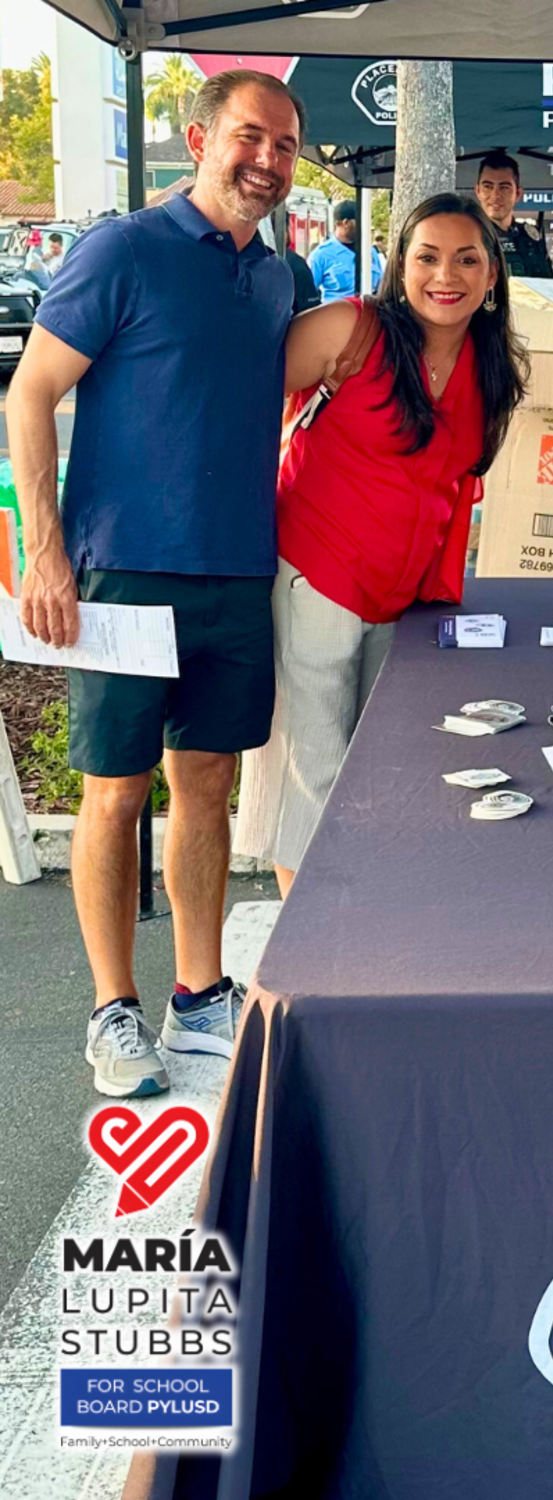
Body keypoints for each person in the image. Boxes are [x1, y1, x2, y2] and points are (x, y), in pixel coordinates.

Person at [8, 69, 303, 1098]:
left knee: (208, 789)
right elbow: (30, 394)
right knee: (114, 791)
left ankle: (198, 992)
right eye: (250, 138)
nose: (267, 161)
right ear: (198, 137)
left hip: (234, 570)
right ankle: (110, 1010)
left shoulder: (278, 278)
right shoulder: (122, 249)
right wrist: (45, 553)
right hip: (121, 573)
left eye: (283, 146)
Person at [235, 193, 528, 896]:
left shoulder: (492, 366)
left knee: (383, 765)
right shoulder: (351, 328)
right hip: (317, 578)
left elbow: (456, 486)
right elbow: (234, 400)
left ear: (491, 276)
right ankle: (305, 955)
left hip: (400, 603)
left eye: (466, 258)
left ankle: (357, 926)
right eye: (426, 256)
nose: (444, 275)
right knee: (313, 776)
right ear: (400, 266)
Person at [474, 150, 553, 280]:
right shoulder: (467, 234)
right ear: (477, 191)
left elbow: (548, 283)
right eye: (488, 186)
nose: (495, 195)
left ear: (518, 194)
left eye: (504, 187)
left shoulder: (530, 236)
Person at [308, 199, 385, 302]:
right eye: (360, 221)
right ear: (346, 223)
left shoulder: (370, 251)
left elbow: (382, 285)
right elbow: (308, 293)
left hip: (370, 314)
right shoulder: (321, 255)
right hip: (337, 315)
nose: (364, 226)